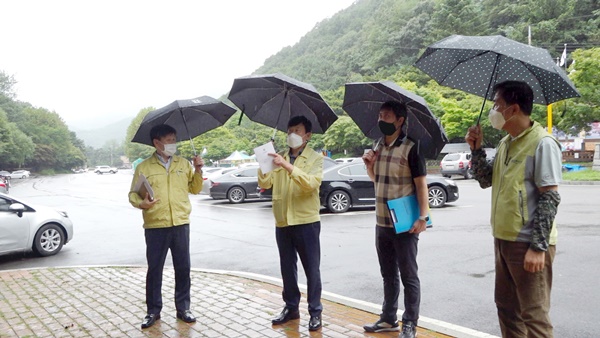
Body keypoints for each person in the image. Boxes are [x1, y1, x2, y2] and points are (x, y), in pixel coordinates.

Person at [465, 81, 562, 338]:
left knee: (534, 315)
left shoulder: (543, 143)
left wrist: (538, 247)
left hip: (528, 244)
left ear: (514, 109)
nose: (494, 109)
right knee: (507, 309)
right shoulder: (506, 143)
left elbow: (550, 197)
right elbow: (486, 180)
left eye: (498, 104)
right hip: (504, 240)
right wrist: (476, 150)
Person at [362, 101, 429, 338]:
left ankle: (410, 322)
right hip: (381, 223)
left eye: (387, 116)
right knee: (388, 274)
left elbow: (421, 186)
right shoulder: (377, 147)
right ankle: (388, 318)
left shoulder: (412, 148)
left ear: (400, 121)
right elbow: (376, 180)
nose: (382, 119)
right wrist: (370, 166)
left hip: (404, 224)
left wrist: (423, 217)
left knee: (409, 275)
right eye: (380, 115)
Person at [128, 124, 204, 329]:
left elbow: (196, 189)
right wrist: (141, 204)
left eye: (174, 140)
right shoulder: (144, 167)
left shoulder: (184, 163)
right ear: (156, 143)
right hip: (155, 225)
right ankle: (153, 311)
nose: (173, 144)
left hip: (180, 223)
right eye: (169, 141)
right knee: (155, 269)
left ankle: (183, 308)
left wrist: (198, 169)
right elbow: (133, 194)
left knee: (183, 267)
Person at [257, 116, 324, 332]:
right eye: (289, 131)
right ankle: (291, 307)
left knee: (311, 269)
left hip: (306, 221)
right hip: (283, 220)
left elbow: (311, 184)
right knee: (287, 267)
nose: (291, 135)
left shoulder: (315, 158)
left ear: (307, 136)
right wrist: (264, 162)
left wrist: (287, 166)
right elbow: (264, 183)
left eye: (296, 130)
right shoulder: (279, 157)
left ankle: (315, 311)